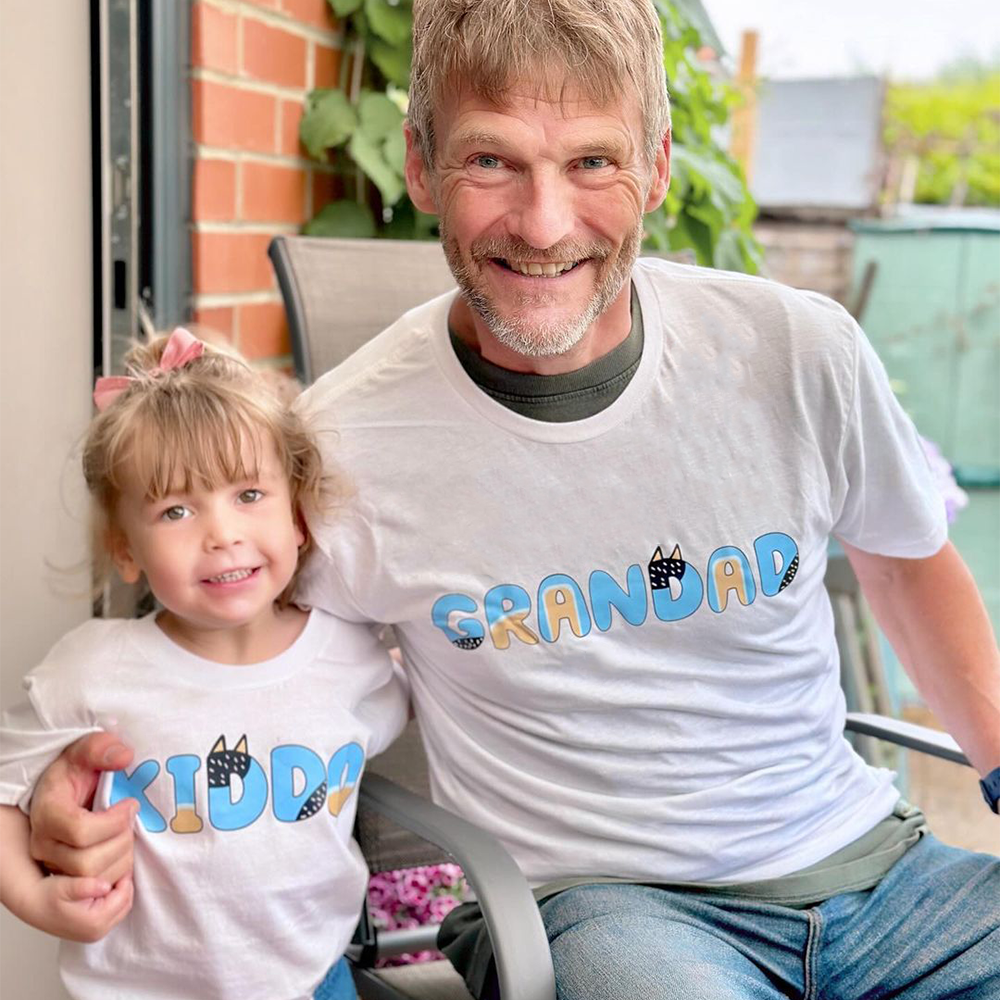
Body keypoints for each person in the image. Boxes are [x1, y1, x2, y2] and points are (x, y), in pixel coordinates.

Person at [23, 2, 1000, 998]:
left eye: (591, 162)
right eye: (491, 162)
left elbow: (905, 563)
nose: (543, 225)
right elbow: (223, 657)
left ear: (658, 165)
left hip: (881, 875)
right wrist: (71, 785)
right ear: (420, 165)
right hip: (610, 910)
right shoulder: (341, 451)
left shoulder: (798, 351)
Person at [0, 329, 408, 1000]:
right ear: (125, 548)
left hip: (319, 984)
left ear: (299, 516)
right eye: (176, 509)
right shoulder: (92, 671)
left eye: (249, 495)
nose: (221, 533)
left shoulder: (353, 658)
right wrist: (36, 901)